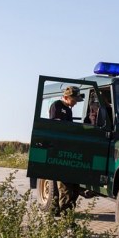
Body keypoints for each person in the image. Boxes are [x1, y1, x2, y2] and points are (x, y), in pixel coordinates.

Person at [49, 86, 83, 215]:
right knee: (65, 188)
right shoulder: (56, 106)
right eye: (74, 100)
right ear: (67, 97)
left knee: (74, 188)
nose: (75, 103)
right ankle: (65, 218)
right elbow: (55, 127)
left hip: (67, 150)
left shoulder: (68, 110)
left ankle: (59, 212)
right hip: (58, 151)